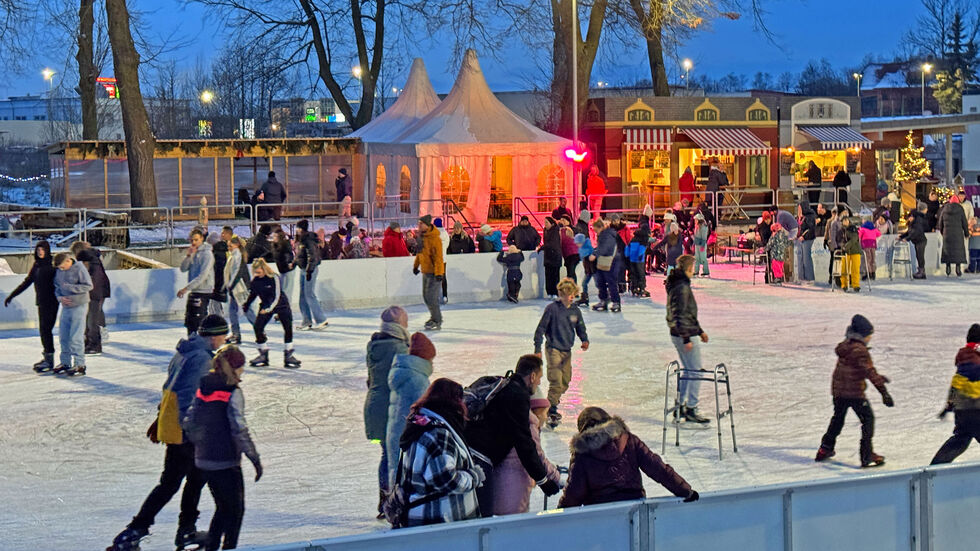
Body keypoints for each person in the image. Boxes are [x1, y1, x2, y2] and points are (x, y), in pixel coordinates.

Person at [108, 315, 228, 551]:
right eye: (223, 336)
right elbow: (186, 397)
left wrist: (161, 416)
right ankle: (173, 531)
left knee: (180, 481)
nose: (224, 340)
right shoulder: (202, 359)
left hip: (175, 426)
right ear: (214, 336)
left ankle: (142, 532)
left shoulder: (186, 352)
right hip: (187, 431)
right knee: (187, 480)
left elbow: (170, 386)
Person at [182, 345, 263, 551]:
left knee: (223, 507)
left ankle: (211, 547)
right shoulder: (232, 392)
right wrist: (254, 457)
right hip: (225, 461)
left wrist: (201, 444)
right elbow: (239, 428)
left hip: (204, 460)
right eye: (241, 367)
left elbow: (189, 420)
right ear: (234, 368)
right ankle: (229, 548)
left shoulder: (204, 386)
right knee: (235, 510)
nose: (243, 371)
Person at [464, 355, 561, 517]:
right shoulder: (517, 395)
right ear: (532, 376)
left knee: (480, 513)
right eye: (539, 379)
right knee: (484, 517)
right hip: (481, 457)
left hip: (471, 450)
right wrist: (543, 480)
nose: (538, 383)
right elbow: (524, 443)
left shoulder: (505, 386)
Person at [558, 407, 697, 508]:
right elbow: (658, 468)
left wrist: (557, 519)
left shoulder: (582, 454)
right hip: (635, 506)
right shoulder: (630, 440)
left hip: (599, 514)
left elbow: (573, 493)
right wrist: (685, 490)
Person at [393, 378, 481, 526]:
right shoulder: (438, 434)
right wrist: (472, 477)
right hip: (438, 522)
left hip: (424, 519)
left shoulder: (421, 424)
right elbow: (444, 479)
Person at [815, 315, 892, 468]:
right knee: (868, 420)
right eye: (869, 335)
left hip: (838, 391)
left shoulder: (846, 346)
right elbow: (869, 372)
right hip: (854, 393)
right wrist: (884, 393)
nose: (870, 338)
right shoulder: (860, 350)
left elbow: (855, 368)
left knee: (838, 419)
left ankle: (825, 449)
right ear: (863, 335)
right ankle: (866, 455)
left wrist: (878, 377)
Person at [364, 306, 411, 517]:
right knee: (395, 456)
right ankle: (393, 501)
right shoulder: (399, 348)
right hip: (393, 406)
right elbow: (404, 381)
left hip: (374, 406)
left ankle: (385, 500)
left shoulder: (374, 344)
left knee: (387, 454)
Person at [491, 387, 561, 515]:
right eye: (545, 413)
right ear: (538, 412)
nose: (546, 417)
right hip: (514, 485)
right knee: (514, 522)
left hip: (501, 481)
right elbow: (537, 457)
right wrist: (556, 477)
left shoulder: (513, 421)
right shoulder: (529, 426)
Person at [534, 278, 589, 428]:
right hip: (553, 349)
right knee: (556, 380)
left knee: (565, 381)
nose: (570, 296)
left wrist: (584, 340)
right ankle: (551, 410)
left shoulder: (575, 310)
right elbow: (540, 329)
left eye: (572, 294)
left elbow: (580, 327)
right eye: (566, 294)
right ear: (561, 294)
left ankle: (550, 402)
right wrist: (537, 349)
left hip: (567, 350)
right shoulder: (552, 309)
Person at [385, 332, 436, 485]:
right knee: (406, 474)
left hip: (395, 430)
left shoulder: (402, 371)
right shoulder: (417, 379)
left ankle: (394, 502)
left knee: (395, 469)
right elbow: (425, 410)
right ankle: (400, 505)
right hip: (409, 434)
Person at [665, 255, 709, 423]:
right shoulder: (682, 287)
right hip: (683, 333)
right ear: (689, 268)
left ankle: (680, 406)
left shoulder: (678, 284)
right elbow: (680, 313)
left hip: (683, 332)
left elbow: (687, 311)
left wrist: (699, 331)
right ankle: (690, 407)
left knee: (690, 370)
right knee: (695, 371)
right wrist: (686, 338)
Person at [4, 240, 58, 372]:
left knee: (46, 330)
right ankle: (47, 357)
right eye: (38, 250)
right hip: (41, 302)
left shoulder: (53, 265)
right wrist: (12, 295)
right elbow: (27, 282)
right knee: (43, 331)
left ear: (47, 250)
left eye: (42, 250)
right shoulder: (37, 265)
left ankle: (49, 360)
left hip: (52, 302)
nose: (40, 252)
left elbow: (62, 282)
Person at [932, 324, 980, 464]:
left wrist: (949, 405)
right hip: (976, 408)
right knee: (962, 438)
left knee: (961, 438)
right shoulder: (974, 359)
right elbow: (959, 382)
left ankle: (936, 466)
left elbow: (956, 384)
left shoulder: (966, 356)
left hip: (963, 409)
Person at [243, 258, 300, 368]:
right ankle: (263, 352)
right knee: (257, 327)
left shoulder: (274, 277)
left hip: (281, 304)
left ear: (264, 269)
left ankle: (288, 354)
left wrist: (268, 309)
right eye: (255, 272)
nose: (257, 274)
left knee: (288, 327)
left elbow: (276, 296)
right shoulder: (255, 281)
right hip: (265, 305)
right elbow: (253, 294)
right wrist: (246, 305)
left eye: (259, 272)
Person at [52, 252, 93, 376]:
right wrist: (60, 298)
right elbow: (57, 286)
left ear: (68, 261)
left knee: (76, 336)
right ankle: (65, 362)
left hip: (79, 305)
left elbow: (89, 286)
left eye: (62, 267)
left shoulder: (80, 268)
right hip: (66, 306)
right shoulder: (59, 271)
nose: (61, 269)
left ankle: (80, 364)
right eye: (59, 268)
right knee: (64, 336)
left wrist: (70, 288)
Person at [71, 241, 110, 355]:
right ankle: (89, 342)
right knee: (89, 318)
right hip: (94, 293)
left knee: (92, 319)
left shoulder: (93, 263)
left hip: (96, 293)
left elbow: (95, 280)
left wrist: (85, 290)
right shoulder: (91, 260)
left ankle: (95, 344)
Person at [178, 229, 215, 335]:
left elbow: (203, 275)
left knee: (198, 320)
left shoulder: (207, 254)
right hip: (194, 290)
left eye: (196, 240)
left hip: (204, 291)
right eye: (192, 240)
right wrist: (189, 256)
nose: (193, 242)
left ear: (202, 239)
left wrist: (186, 288)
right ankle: (192, 341)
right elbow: (183, 268)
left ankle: (200, 342)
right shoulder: (194, 252)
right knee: (190, 320)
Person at [295, 219, 329, 330]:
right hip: (304, 269)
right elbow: (301, 255)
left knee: (309, 295)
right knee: (302, 296)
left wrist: (309, 270)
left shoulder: (308, 240)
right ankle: (306, 321)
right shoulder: (302, 240)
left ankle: (321, 319)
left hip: (309, 270)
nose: (296, 230)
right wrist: (294, 263)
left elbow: (312, 257)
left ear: (301, 229)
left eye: (297, 228)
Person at [413, 215, 445, 331]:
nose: (419, 225)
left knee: (431, 298)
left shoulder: (434, 239)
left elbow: (438, 258)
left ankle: (437, 319)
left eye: (421, 224)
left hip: (434, 273)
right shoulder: (422, 237)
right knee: (426, 297)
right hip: (425, 271)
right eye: (419, 223)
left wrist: (439, 273)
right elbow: (420, 253)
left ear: (427, 225)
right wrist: (416, 266)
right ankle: (434, 317)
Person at [222, 236, 252, 345]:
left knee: (245, 310)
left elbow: (237, 273)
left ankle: (258, 329)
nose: (229, 247)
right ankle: (236, 333)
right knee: (234, 310)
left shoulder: (237, 256)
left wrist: (230, 285)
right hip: (237, 287)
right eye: (228, 245)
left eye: (230, 245)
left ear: (237, 245)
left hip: (240, 287)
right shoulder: (234, 255)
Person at [592, 218, 622, 313]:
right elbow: (602, 247)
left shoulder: (608, 235)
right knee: (601, 281)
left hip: (612, 261)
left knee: (611, 282)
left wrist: (595, 254)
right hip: (605, 261)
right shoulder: (603, 235)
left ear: (600, 227)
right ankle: (603, 300)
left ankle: (616, 301)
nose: (595, 232)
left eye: (596, 229)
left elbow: (606, 248)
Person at [937, 195, 969, 277]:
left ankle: (948, 268)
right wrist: (966, 233)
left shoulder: (944, 209)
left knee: (947, 251)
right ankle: (958, 269)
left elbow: (940, 222)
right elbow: (964, 222)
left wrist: (942, 231)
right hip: (958, 233)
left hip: (947, 233)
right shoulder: (960, 209)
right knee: (958, 251)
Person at [899, 202, 929, 279]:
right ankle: (920, 271)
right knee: (918, 256)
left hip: (921, 241)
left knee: (920, 256)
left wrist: (907, 239)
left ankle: (922, 272)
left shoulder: (917, 222)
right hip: (917, 241)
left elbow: (915, 232)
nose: (909, 219)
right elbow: (909, 231)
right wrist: (902, 237)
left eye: (910, 217)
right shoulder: (912, 223)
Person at [271, 228, 297, 305]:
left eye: (275, 236)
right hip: (282, 270)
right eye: (273, 236)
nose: (273, 238)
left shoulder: (286, 244)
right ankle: (283, 309)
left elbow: (289, 255)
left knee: (287, 291)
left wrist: (289, 263)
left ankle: (286, 309)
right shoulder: (274, 246)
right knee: (282, 291)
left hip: (288, 270)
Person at [540, 216, 562, 298]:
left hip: (555, 256)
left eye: (547, 222)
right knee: (548, 275)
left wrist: (543, 247)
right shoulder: (545, 231)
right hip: (548, 256)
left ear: (551, 223)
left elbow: (553, 244)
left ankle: (555, 292)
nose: (545, 224)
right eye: (544, 222)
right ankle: (549, 292)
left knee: (555, 275)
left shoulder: (555, 231)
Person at [209, 229, 230, 317]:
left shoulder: (217, 254)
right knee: (214, 304)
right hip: (220, 283)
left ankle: (218, 321)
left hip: (217, 283)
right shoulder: (221, 252)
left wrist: (214, 283)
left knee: (215, 304)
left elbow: (218, 271)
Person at [839, 216, 862, 292]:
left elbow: (854, 239)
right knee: (844, 269)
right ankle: (844, 284)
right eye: (844, 220)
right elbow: (840, 240)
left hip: (855, 250)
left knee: (855, 268)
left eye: (847, 220)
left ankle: (856, 285)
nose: (845, 222)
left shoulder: (853, 228)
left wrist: (846, 246)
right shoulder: (841, 230)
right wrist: (843, 247)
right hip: (845, 252)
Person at [797, 202, 817, 283]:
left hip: (808, 239)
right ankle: (801, 277)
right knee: (800, 258)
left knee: (806, 258)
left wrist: (804, 236)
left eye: (800, 208)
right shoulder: (799, 217)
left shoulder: (810, 217)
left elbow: (811, 229)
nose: (798, 210)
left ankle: (809, 278)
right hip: (800, 239)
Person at [575, 233, 596, 306]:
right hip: (589, 271)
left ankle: (605, 297)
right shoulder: (583, 250)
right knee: (584, 284)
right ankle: (585, 298)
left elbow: (590, 262)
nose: (577, 245)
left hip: (592, 270)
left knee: (597, 284)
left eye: (578, 243)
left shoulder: (587, 250)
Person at [433, 218, 451, 304]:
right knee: (443, 277)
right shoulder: (446, 234)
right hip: (443, 259)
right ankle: (445, 296)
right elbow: (447, 245)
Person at [692, 213, 710, 278]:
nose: (695, 221)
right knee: (697, 258)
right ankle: (696, 271)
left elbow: (704, 237)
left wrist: (702, 246)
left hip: (701, 244)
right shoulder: (697, 226)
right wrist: (694, 244)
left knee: (703, 258)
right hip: (697, 244)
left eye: (696, 220)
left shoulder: (704, 227)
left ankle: (706, 271)